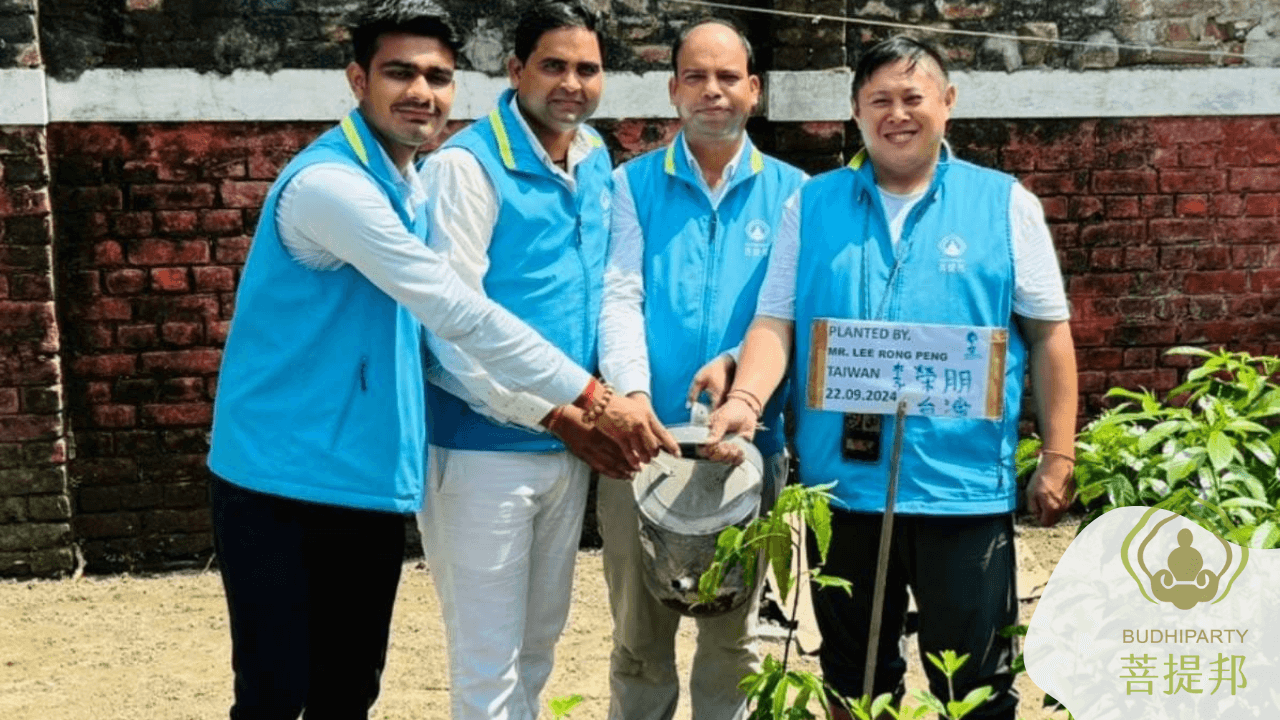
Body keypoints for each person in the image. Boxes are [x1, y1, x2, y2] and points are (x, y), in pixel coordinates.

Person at [206, 2, 668, 717]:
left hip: (367, 471)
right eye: (400, 73)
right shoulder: (334, 187)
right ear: (357, 80)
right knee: (275, 694)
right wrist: (591, 398)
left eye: (438, 77)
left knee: (348, 691)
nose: (421, 92)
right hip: (280, 473)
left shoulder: (411, 180)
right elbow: (455, 314)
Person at [704, 36, 1077, 720]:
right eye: (880, 100)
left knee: (974, 684)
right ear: (856, 111)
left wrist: (1059, 457)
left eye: (913, 97)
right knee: (853, 679)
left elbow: (1050, 335)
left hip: (963, 490)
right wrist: (747, 398)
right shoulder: (812, 205)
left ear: (948, 103)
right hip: (843, 491)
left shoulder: (1002, 204)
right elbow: (777, 320)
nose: (897, 114)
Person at [412, 3, 675, 719]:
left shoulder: (592, 155)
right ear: (515, 69)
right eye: (553, 66)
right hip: (480, 449)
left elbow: (611, 295)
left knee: (537, 650)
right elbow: (449, 332)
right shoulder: (465, 167)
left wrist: (616, 400)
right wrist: (555, 414)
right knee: (487, 665)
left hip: (567, 446)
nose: (571, 83)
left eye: (587, 68)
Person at [594, 18, 807, 720]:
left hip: (748, 446)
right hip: (640, 443)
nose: (712, 91)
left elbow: (794, 314)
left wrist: (745, 378)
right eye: (696, 77)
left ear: (755, 89)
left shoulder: (798, 194)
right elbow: (619, 297)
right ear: (673, 89)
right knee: (637, 641)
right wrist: (633, 396)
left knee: (733, 643)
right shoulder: (630, 187)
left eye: (728, 77)